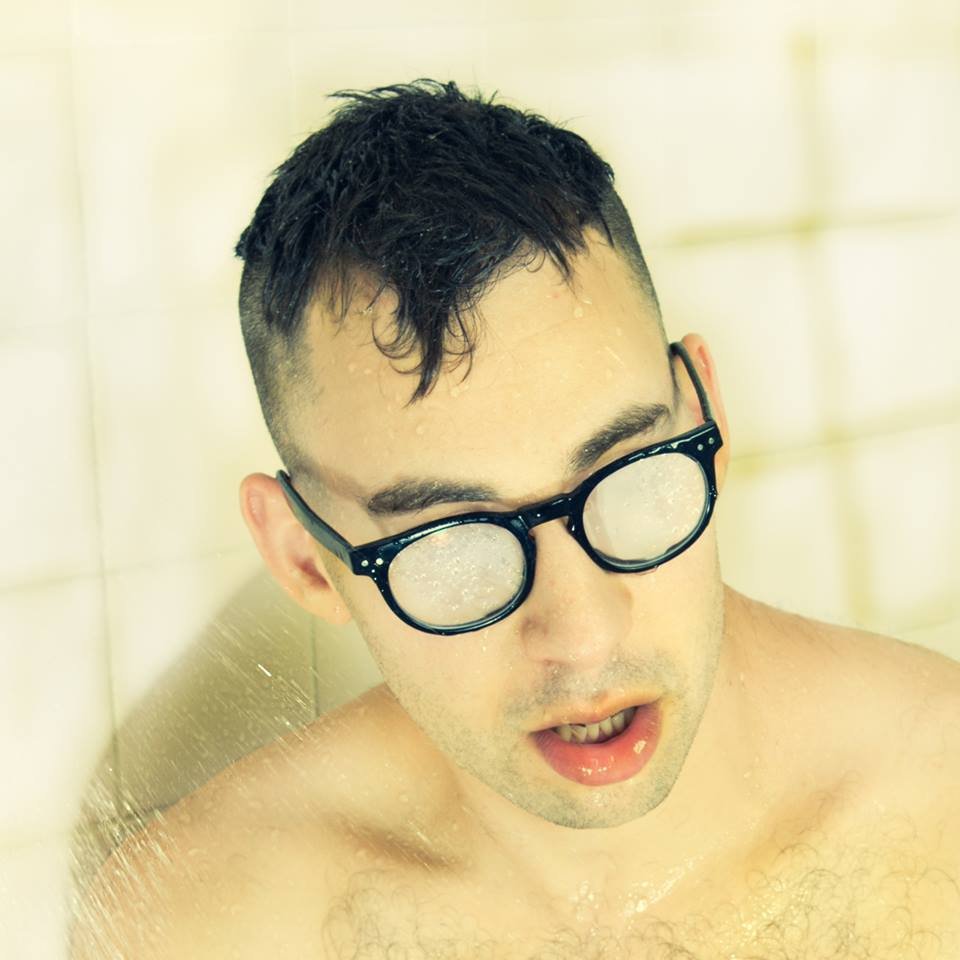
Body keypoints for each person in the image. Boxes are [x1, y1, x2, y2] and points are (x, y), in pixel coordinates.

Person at [72, 78, 960, 960]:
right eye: (454, 542)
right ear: (305, 557)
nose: (583, 637)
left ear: (709, 424)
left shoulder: (940, 788)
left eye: (626, 476)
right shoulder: (203, 926)